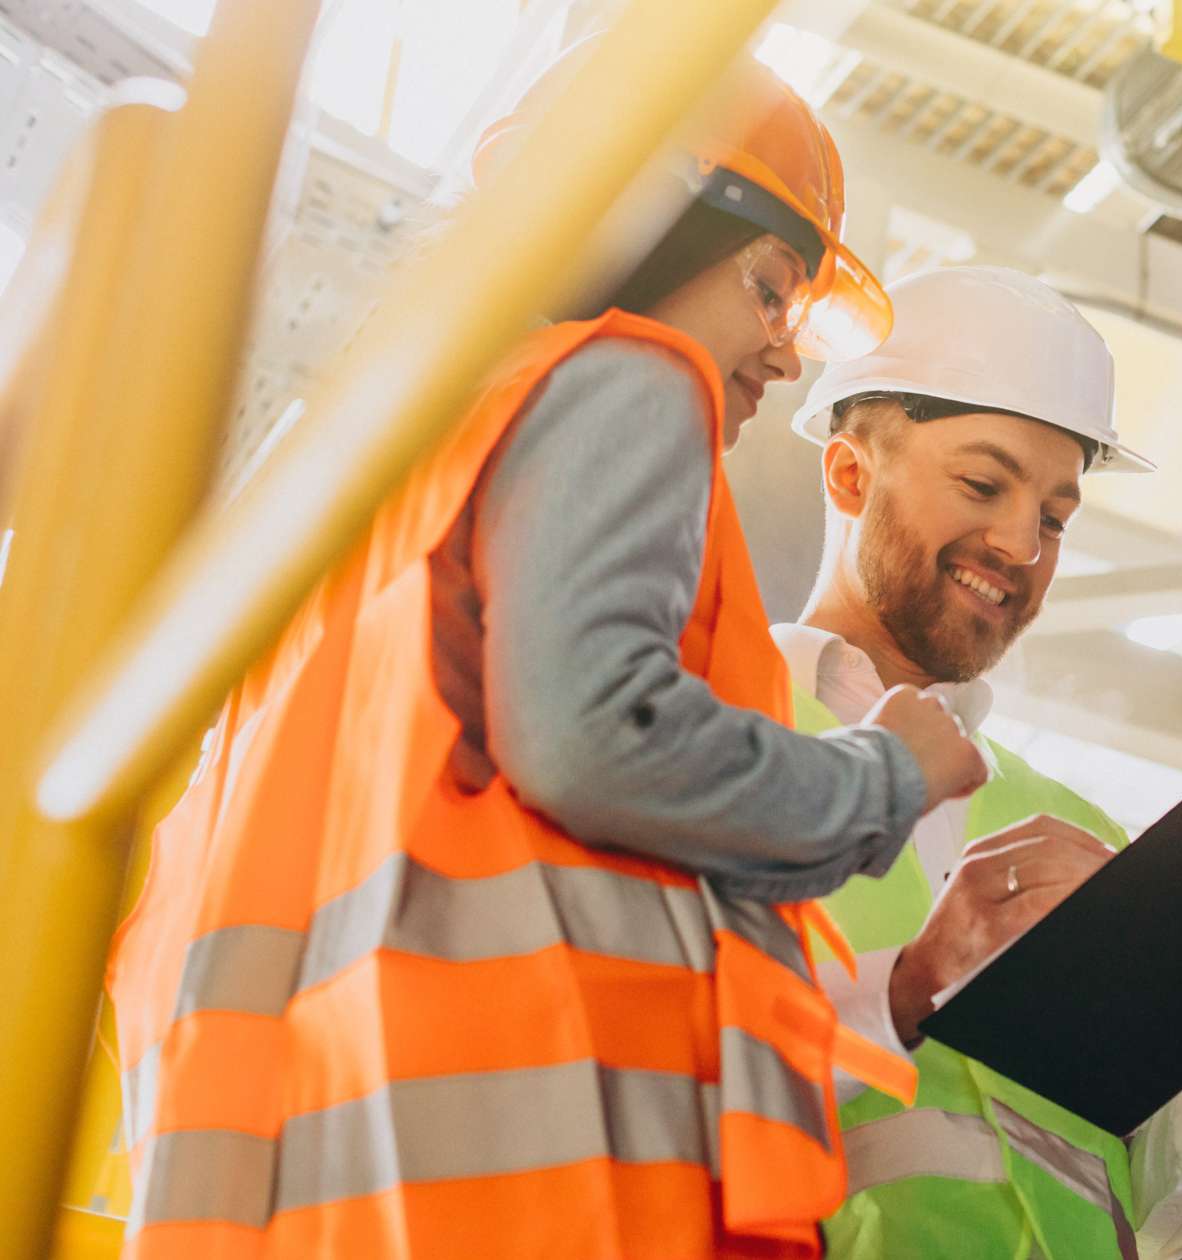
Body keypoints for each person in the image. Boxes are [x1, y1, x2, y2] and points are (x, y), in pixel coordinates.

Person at [104, 47, 989, 1260]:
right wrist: (883, 775)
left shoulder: (372, 477)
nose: (785, 355)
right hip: (537, 1159)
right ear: (644, 221)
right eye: (773, 288)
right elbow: (591, 735)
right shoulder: (627, 373)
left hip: (322, 1158)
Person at [771, 265, 1182, 1260]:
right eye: (981, 483)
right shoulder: (703, 745)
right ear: (848, 475)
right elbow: (644, 1083)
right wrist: (910, 987)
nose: (1020, 543)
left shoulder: (1077, 826)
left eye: (1054, 517)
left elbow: (1146, 1209)